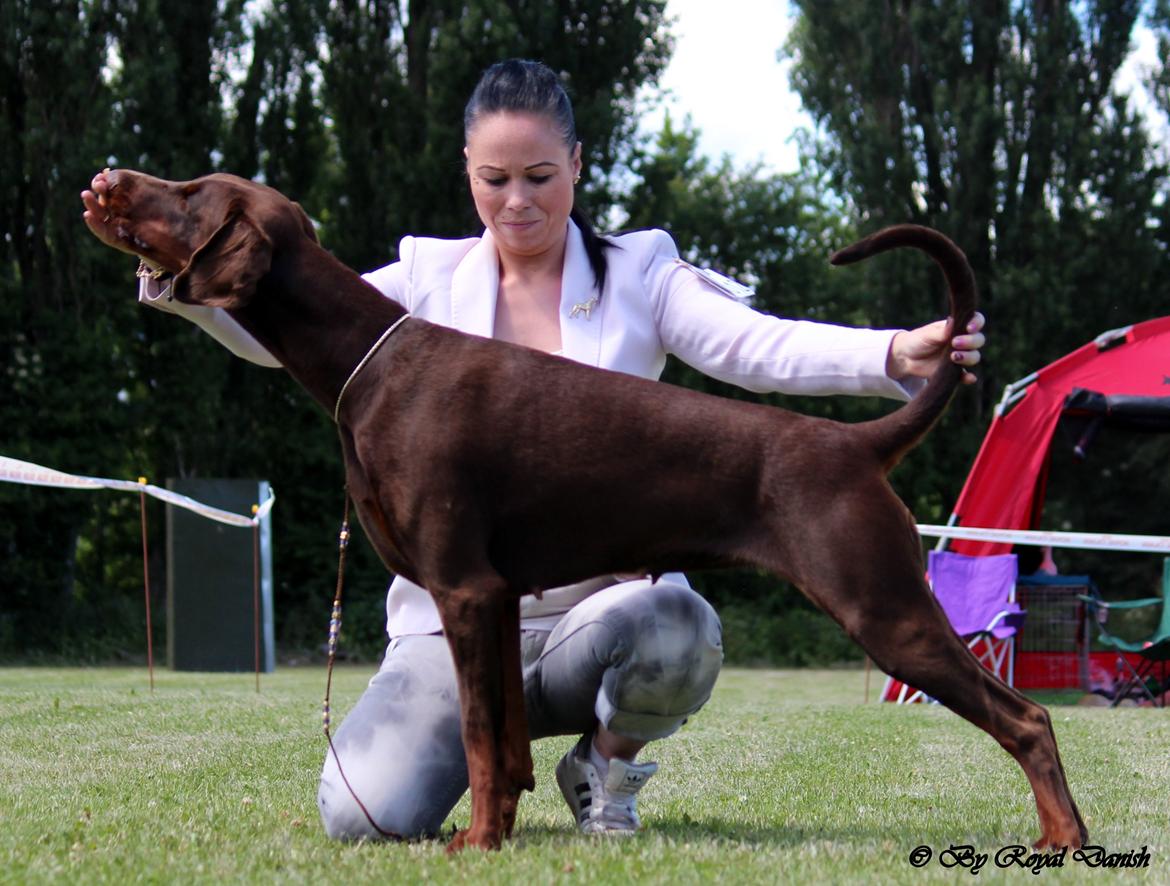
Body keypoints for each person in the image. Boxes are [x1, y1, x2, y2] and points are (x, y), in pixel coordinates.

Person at [82, 58, 985, 841]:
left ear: (579, 167)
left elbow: (752, 344)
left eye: (542, 176)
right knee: (361, 816)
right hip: (455, 632)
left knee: (676, 626)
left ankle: (603, 769)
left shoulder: (640, 271)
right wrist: (167, 272)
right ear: (469, 176)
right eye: (496, 178)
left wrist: (890, 352)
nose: (518, 200)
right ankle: (497, 774)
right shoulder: (422, 283)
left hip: (600, 619)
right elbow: (276, 319)